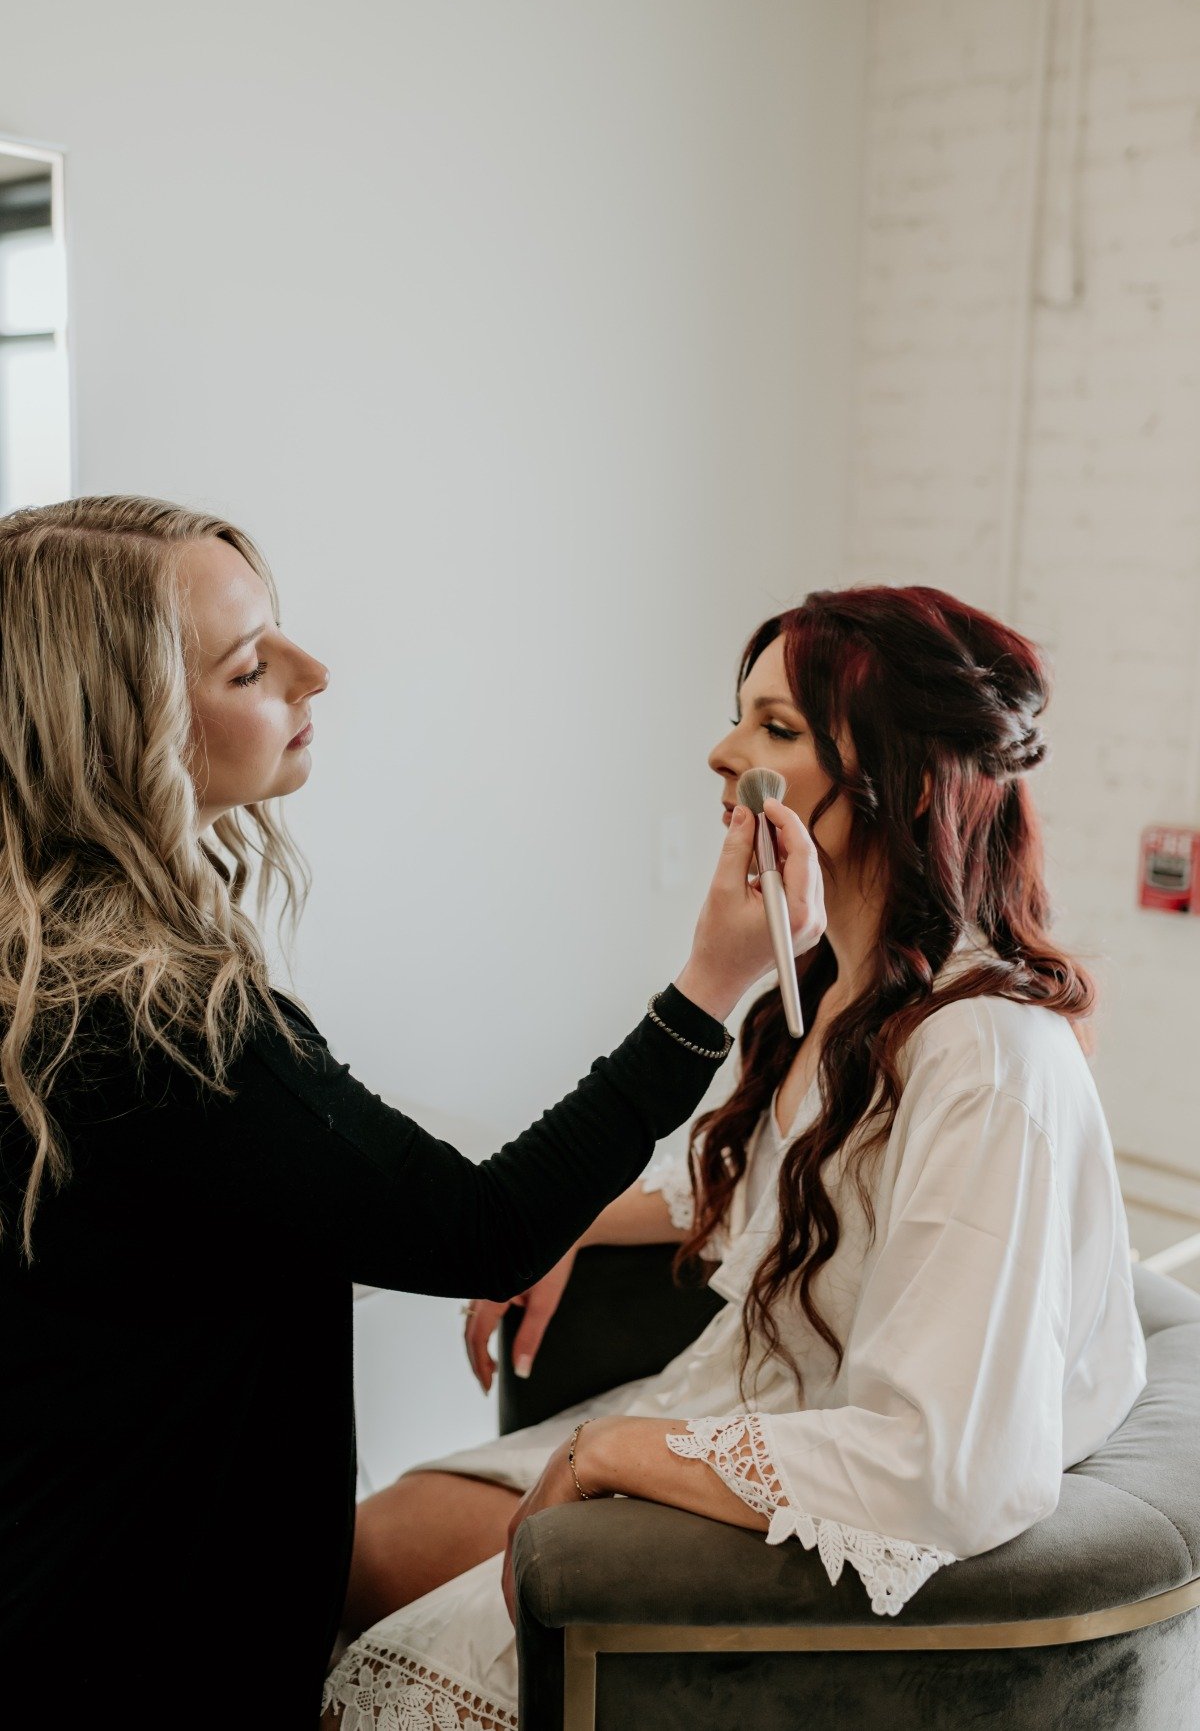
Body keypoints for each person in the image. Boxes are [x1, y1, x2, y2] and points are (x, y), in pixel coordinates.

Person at [0, 495, 824, 1723]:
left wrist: (585, 1227)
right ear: (124, 732)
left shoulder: (42, 981)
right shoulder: (174, 1032)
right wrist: (710, 984)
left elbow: (192, 1241)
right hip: (132, 1638)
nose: (314, 670)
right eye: (251, 663)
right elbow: (474, 1226)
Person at [323, 584, 1146, 1731]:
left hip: (810, 1473)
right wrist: (554, 1225)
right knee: (345, 1552)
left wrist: (613, 1452)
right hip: (731, 1394)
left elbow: (947, 1464)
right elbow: (755, 1190)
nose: (722, 754)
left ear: (902, 779)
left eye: (776, 729)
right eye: (737, 716)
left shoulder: (988, 1058)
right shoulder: (840, 993)